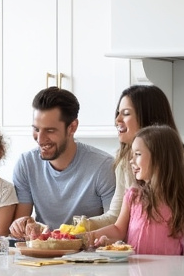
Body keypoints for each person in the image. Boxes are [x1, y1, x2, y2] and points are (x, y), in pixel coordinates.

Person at [85, 83, 184, 239]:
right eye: (118, 113)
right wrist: (80, 227)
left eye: (126, 113)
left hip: (176, 261)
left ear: (149, 118)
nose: (117, 120)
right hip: (136, 259)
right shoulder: (124, 164)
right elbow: (116, 217)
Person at [9, 87, 116, 238]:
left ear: (72, 127)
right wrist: (21, 226)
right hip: (42, 254)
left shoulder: (103, 166)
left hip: (87, 255)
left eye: (50, 130)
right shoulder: (26, 164)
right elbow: (21, 225)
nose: (40, 139)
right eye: (36, 129)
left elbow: (115, 227)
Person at [87, 125, 184, 256]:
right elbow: (118, 229)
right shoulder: (133, 196)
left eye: (138, 154)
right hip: (136, 273)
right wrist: (90, 235)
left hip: (171, 274)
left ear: (160, 158)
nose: (131, 160)